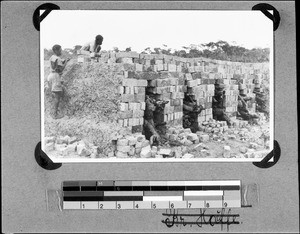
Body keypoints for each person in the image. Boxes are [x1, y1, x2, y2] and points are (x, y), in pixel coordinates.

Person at [47, 44, 70, 119]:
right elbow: (60, 69)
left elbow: (56, 63)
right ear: (56, 50)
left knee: (54, 95)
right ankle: (55, 115)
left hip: (50, 76)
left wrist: (63, 60)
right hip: (55, 77)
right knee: (57, 97)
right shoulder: (57, 58)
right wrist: (66, 62)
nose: (61, 51)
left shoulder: (52, 57)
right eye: (60, 49)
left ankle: (53, 112)